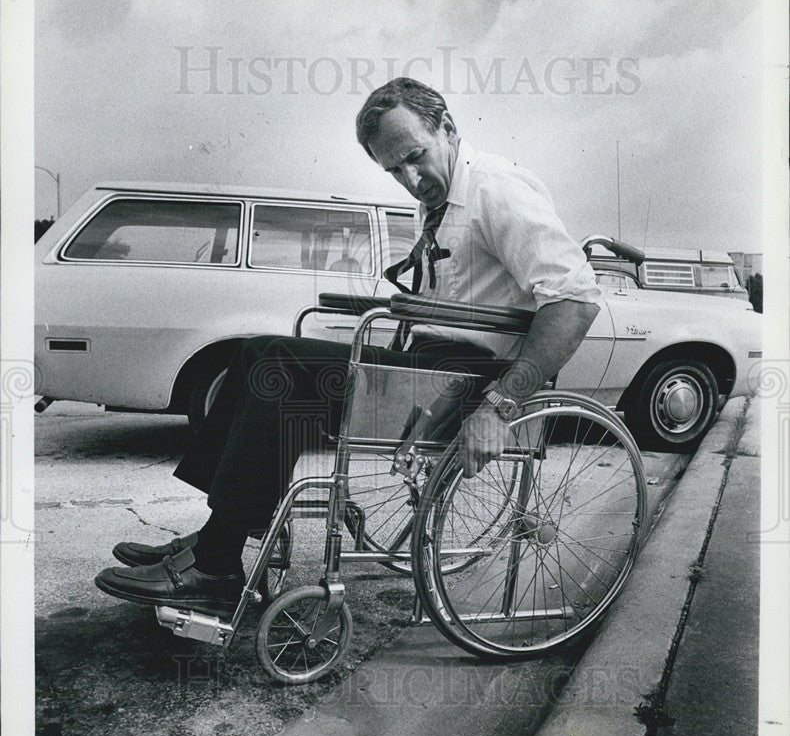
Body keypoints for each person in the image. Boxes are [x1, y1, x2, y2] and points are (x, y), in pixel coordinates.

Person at [95, 77, 602, 615]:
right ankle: (214, 538)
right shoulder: (441, 200)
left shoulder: (496, 190)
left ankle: (217, 563)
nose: (410, 179)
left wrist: (500, 407)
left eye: (415, 157)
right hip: (433, 365)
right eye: (393, 170)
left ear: (448, 128)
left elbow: (575, 299)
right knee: (256, 354)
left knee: (280, 369)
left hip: (471, 381)